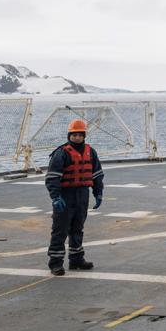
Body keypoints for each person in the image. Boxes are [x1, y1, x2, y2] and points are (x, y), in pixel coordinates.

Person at [45, 118, 104, 275]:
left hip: (82, 194)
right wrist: (56, 197)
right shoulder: (61, 153)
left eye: (80, 134)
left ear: (84, 135)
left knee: (78, 228)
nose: (77, 137)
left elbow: (97, 174)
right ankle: (55, 263)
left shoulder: (90, 152)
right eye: (74, 134)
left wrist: (98, 192)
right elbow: (52, 177)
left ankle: (76, 259)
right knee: (60, 230)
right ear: (69, 135)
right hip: (66, 196)